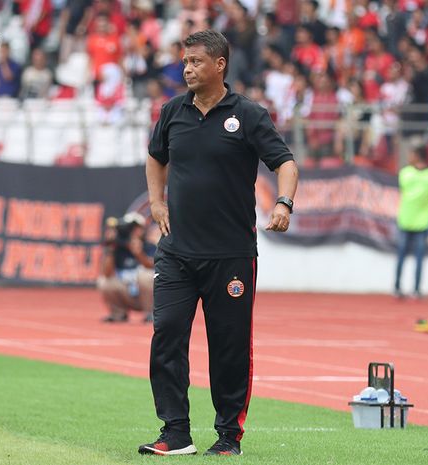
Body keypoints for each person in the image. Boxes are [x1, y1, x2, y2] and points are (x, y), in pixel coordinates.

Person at [140, 30, 299, 457]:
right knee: (167, 333)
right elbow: (156, 156)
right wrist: (156, 201)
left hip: (230, 254)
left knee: (228, 346)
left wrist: (283, 202)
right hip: (176, 251)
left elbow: (284, 162)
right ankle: (175, 432)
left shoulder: (248, 114)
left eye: (195, 61)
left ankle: (229, 436)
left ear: (220, 64)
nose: (187, 68)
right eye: (185, 62)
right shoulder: (172, 111)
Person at [394, 145, 428, 299]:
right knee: (416, 256)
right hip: (417, 220)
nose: (409, 157)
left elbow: (403, 191)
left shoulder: (406, 173)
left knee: (405, 255)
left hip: (412, 219)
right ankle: (414, 289)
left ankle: (399, 287)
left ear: (417, 156)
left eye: (411, 154)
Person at [97, 213, 156, 323]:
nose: (130, 231)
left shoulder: (149, 246)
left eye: (134, 228)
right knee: (104, 281)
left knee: (146, 275)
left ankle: (151, 313)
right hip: (127, 294)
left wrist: (139, 253)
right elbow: (107, 273)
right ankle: (118, 313)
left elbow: (153, 267)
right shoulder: (118, 248)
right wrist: (110, 248)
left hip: (147, 296)